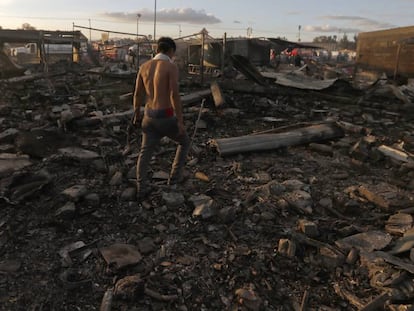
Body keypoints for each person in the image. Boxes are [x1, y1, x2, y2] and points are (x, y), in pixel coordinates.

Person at [133, 37, 190, 199]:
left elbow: (137, 94)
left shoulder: (143, 67)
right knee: (184, 142)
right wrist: (179, 121)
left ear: (158, 49)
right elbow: (174, 94)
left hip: (148, 117)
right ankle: (173, 180)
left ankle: (141, 187)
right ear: (170, 51)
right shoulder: (170, 67)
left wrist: (136, 114)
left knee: (145, 152)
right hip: (165, 117)